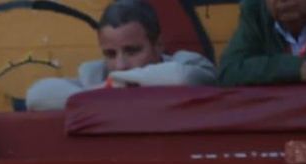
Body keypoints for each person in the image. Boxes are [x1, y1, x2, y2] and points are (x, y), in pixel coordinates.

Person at [24, 0, 217, 111]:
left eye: (132, 51)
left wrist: (115, 84)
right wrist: (106, 88)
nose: (120, 65)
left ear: (158, 45)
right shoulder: (97, 75)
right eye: (110, 54)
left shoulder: (187, 62)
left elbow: (181, 77)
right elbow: (36, 96)